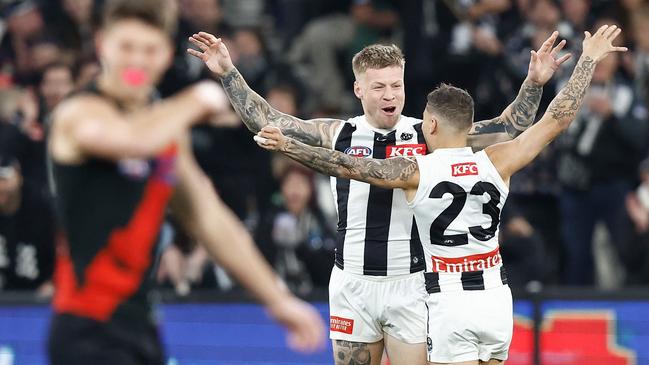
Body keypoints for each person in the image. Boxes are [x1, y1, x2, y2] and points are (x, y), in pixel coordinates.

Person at [189, 29, 568, 364]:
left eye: (397, 85)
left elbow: (505, 129)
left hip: (413, 282)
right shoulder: (336, 132)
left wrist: (533, 83)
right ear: (358, 90)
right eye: (379, 87)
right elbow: (268, 120)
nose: (391, 95)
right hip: (353, 282)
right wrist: (228, 72)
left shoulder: (431, 133)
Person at [46, 1, 325, 364]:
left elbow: (209, 218)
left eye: (149, 49)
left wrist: (278, 300)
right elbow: (129, 140)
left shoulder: (165, 133)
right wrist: (199, 97)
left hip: (142, 328)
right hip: (86, 328)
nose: (137, 61)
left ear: (165, 54)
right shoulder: (78, 112)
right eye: (126, 47)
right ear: (102, 45)